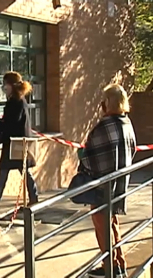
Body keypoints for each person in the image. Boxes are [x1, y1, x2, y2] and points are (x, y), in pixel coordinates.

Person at [80, 84, 136, 278]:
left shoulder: (104, 126)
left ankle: (109, 267)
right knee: (112, 223)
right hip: (120, 182)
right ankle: (119, 262)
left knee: (102, 225)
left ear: (107, 103)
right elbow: (133, 149)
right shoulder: (126, 122)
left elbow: (89, 155)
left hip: (102, 184)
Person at [0, 71, 38, 210]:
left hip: (16, 143)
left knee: (20, 170)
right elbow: (8, 122)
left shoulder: (16, 102)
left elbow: (10, 123)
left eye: (5, 84)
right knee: (11, 170)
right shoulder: (15, 101)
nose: (3, 87)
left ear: (11, 85)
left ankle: (33, 198)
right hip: (14, 142)